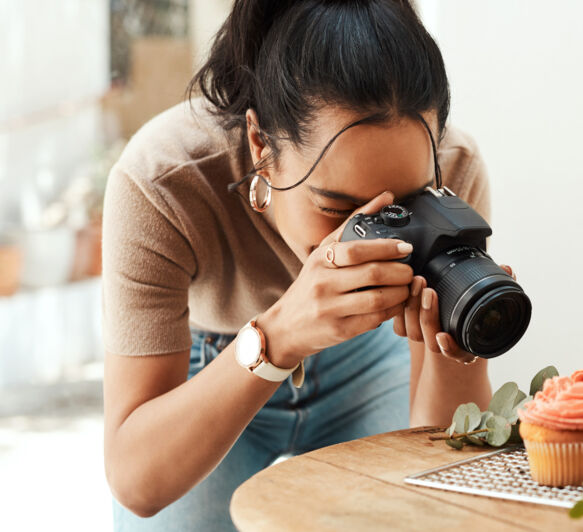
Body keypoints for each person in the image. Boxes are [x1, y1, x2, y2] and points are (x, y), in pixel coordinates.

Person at [101, 1, 503, 529]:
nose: (364, 234)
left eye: (408, 207)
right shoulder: (164, 181)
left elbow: (438, 471)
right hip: (213, 361)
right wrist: (282, 333)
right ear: (260, 143)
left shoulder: (453, 168)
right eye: (336, 207)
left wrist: (452, 344)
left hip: (368, 355)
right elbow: (138, 482)